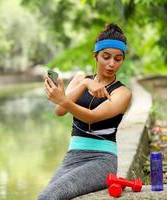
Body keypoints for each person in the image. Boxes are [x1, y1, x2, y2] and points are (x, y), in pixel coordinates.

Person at [39, 23, 132, 200]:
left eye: (118, 59)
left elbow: (92, 117)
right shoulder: (81, 79)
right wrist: (83, 84)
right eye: (106, 57)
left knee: (48, 196)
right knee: (45, 196)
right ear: (95, 56)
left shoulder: (122, 93)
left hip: (102, 160)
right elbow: (59, 111)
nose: (112, 64)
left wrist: (63, 98)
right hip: (72, 157)